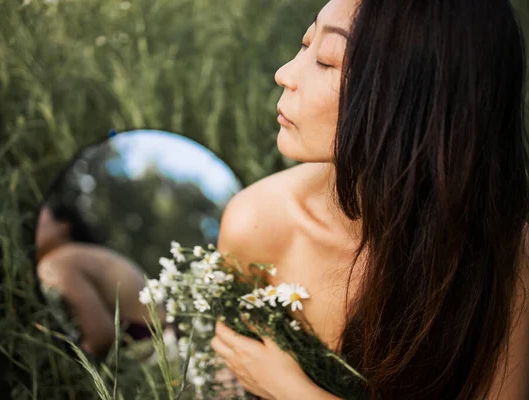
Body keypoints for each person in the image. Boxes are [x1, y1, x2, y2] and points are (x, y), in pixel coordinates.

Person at [209, 0, 529, 399]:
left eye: (326, 61)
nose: (285, 74)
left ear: (420, 97)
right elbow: (220, 379)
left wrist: (291, 390)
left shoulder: (506, 249)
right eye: (306, 43)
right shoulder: (259, 222)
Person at [34, 200, 161, 358]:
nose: (31, 224)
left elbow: (102, 338)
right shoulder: (87, 254)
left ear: (63, 226)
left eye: (39, 217)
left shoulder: (56, 261)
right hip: (164, 338)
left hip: (153, 352)